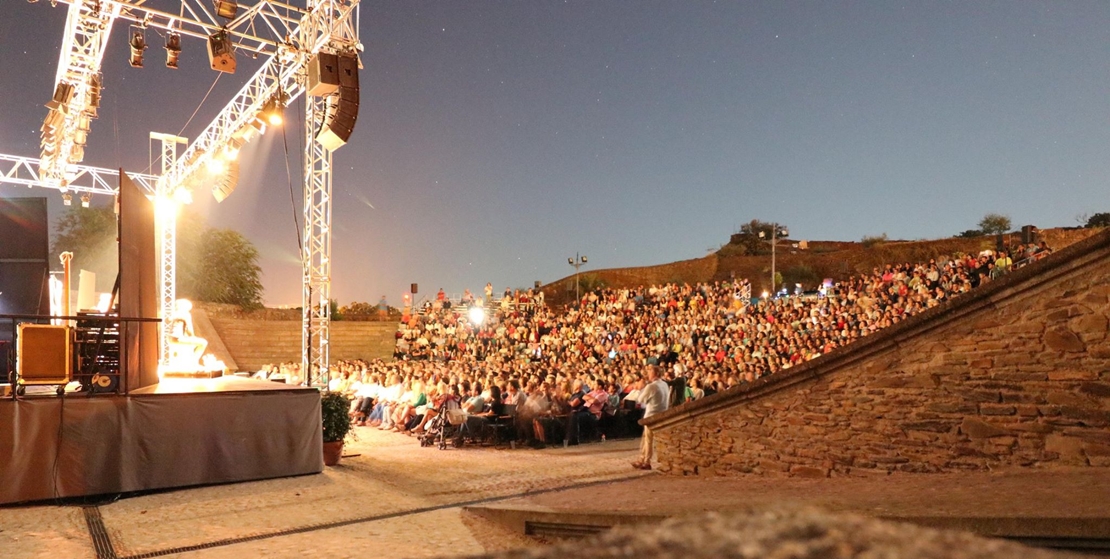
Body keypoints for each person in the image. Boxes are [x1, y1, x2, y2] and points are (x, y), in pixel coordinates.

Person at [632, 365, 668, 470]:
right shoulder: (664, 384)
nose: (648, 374)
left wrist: (641, 388)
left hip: (651, 415)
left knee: (648, 440)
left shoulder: (651, 386)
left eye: (650, 372)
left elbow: (640, 399)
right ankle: (642, 459)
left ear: (655, 374)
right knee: (645, 438)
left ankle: (646, 461)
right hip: (662, 413)